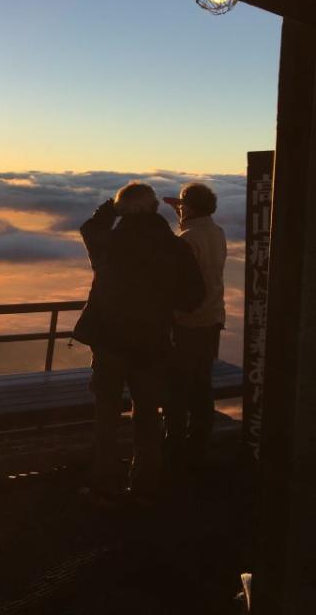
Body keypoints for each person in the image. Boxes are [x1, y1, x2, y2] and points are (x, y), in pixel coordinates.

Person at [73, 182, 204, 506]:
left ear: (123, 210)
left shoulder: (107, 243)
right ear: (154, 209)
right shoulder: (175, 249)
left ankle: (104, 485)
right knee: (147, 415)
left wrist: (112, 209)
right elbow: (193, 300)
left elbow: (89, 227)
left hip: (109, 344)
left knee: (106, 414)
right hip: (152, 344)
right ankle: (145, 486)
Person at [162, 183, 227, 470]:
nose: (179, 209)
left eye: (182, 205)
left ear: (189, 207)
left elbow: (179, 284)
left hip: (187, 321)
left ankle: (174, 445)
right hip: (213, 319)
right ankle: (199, 444)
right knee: (202, 384)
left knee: (176, 386)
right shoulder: (217, 233)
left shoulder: (187, 239)